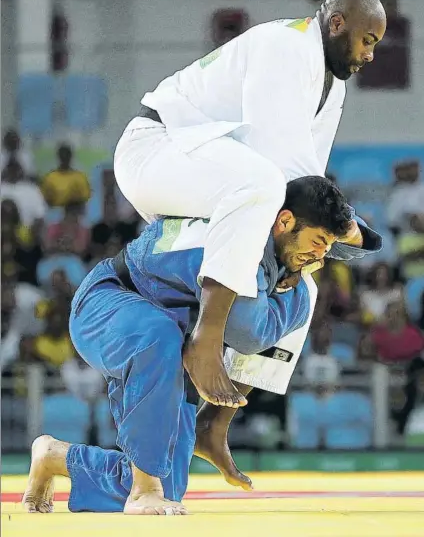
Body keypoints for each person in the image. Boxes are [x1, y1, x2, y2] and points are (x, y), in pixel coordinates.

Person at [23, 176, 382, 515]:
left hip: (173, 344)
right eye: (318, 242)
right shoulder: (241, 239)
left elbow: (367, 243)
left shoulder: (285, 243)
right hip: (109, 302)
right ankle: (142, 488)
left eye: (329, 246)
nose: (320, 257)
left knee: (171, 487)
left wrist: (330, 242)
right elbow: (249, 333)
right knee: (160, 334)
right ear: (284, 221)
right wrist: (292, 288)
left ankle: (57, 457)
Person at [113, 0, 386, 407]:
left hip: (209, 179)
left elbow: (310, 186)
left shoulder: (331, 87)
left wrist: (329, 239)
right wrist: (350, 229)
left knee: (306, 273)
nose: (370, 54)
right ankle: (206, 341)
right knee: (263, 185)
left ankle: (217, 422)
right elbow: (282, 169)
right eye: (367, 40)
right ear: (337, 24)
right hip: (158, 150)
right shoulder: (288, 46)